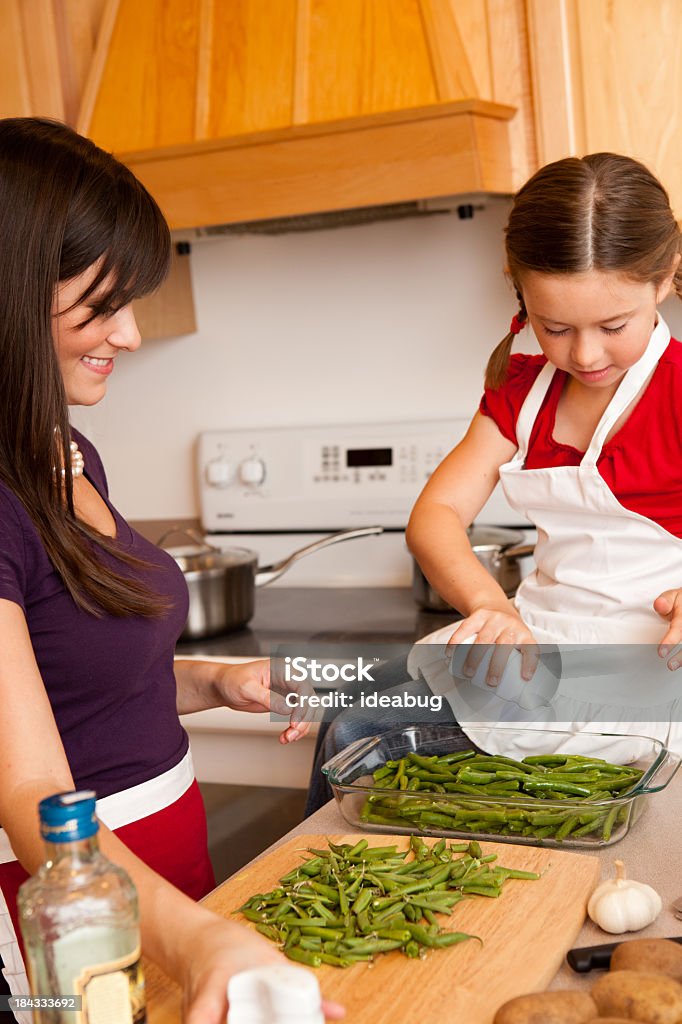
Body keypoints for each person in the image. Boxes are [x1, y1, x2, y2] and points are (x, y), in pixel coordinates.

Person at [0, 118, 343, 1024]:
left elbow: (81, 687)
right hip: (71, 916)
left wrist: (214, 680)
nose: (134, 333)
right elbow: (29, 789)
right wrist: (197, 938)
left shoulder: (65, 453)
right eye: (105, 302)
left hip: (161, 877)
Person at [306, 151, 682, 815]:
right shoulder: (520, 392)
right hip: (542, 647)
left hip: (647, 676)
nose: (585, 355)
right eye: (555, 327)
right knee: (342, 709)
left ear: (663, 279)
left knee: (360, 733)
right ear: (520, 292)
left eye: (612, 326)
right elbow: (437, 515)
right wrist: (493, 609)